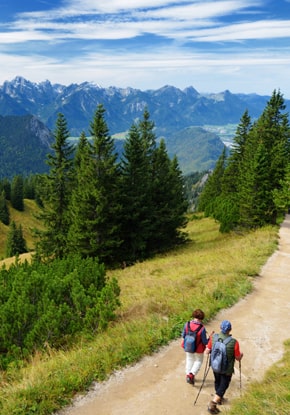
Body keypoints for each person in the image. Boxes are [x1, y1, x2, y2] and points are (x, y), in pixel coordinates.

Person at [205, 320, 243, 414]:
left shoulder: (213, 337)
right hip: (227, 369)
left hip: (215, 366)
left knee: (217, 381)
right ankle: (213, 404)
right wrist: (241, 355)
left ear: (220, 328)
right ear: (230, 330)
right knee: (224, 384)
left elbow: (207, 351)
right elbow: (238, 358)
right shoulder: (234, 342)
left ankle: (219, 398)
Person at [181, 308, 208, 385]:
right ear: (201, 318)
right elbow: (204, 341)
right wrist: (209, 339)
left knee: (189, 359)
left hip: (188, 346)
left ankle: (187, 375)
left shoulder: (187, 324)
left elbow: (183, 335)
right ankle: (192, 374)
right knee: (198, 361)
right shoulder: (202, 328)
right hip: (198, 349)